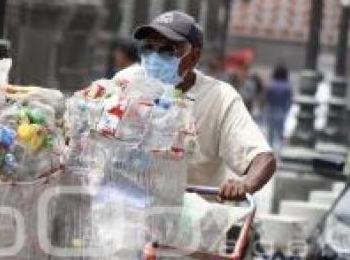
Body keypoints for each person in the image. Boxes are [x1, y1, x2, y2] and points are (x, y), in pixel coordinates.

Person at [116, 10, 276, 201]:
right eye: (148, 48)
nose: (155, 57)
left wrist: (245, 184)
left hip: (192, 215)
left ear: (193, 57)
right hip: (127, 205)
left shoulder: (220, 98)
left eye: (167, 51)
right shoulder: (126, 82)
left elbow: (262, 157)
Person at [264, 65, 292, 150]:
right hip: (282, 110)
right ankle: (279, 149)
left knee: (270, 133)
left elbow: (267, 98)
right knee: (280, 132)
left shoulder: (272, 85)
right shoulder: (287, 86)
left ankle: (269, 149)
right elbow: (289, 99)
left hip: (271, 110)